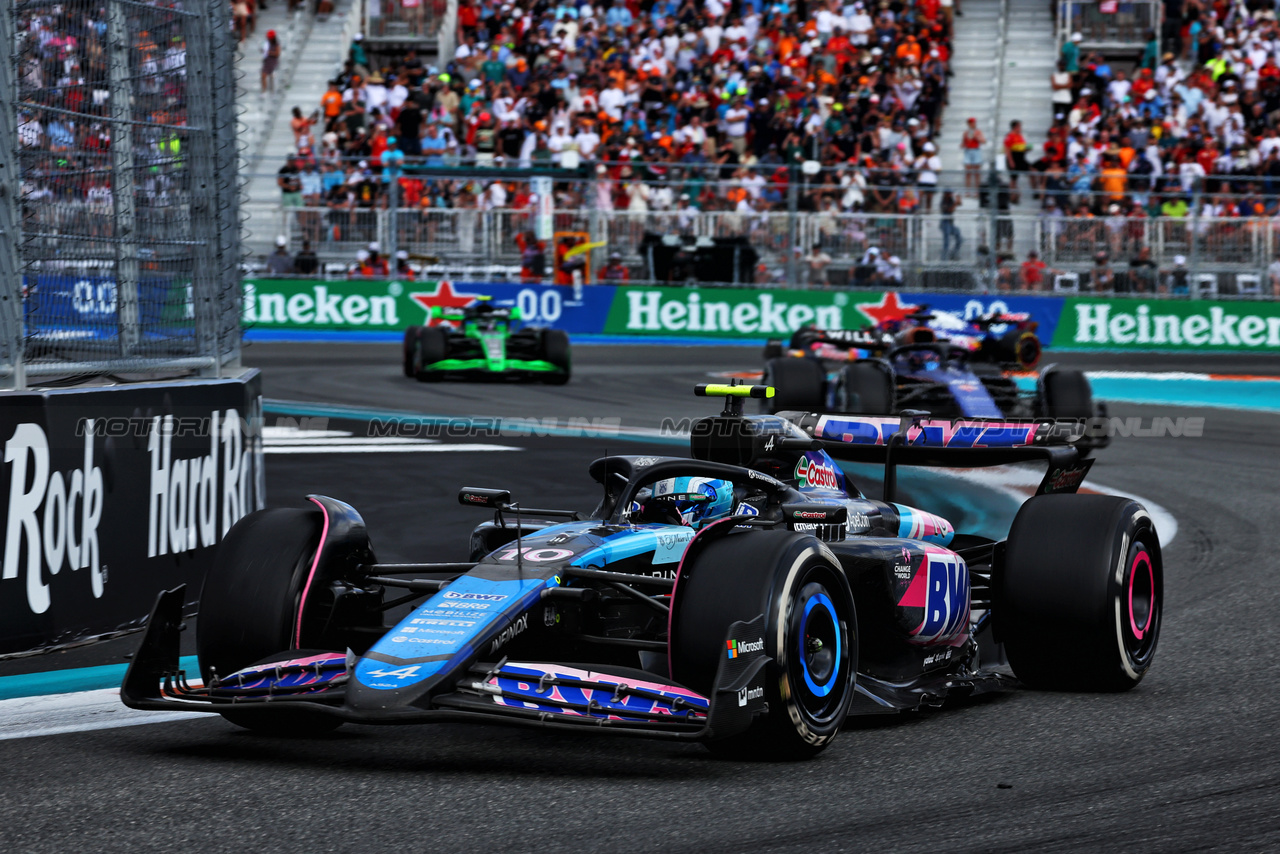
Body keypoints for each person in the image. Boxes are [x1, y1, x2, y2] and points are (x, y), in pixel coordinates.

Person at [1003, 120, 1029, 204]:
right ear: (1015, 127)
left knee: (1016, 178)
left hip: (1020, 159)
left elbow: (1022, 148)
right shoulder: (1010, 136)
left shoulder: (1020, 136)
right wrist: (1011, 161)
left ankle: (1015, 195)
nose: (1021, 128)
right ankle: (1012, 196)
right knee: (1013, 178)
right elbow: (1008, 149)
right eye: (1019, 126)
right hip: (1013, 159)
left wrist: (1027, 149)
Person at [961, 118, 985, 194]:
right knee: (968, 172)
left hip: (976, 150)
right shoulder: (966, 133)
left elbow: (983, 141)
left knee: (977, 173)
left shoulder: (978, 132)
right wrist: (963, 144)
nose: (972, 124)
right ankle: (967, 191)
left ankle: (977, 192)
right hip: (968, 151)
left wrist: (976, 137)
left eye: (973, 123)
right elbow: (963, 144)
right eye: (970, 123)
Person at [940, 190, 962, 261]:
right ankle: (944, 259)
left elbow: (960, 204)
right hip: (944, 223)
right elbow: (949, 210)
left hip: (950, 224)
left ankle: (953, 254)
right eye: (949, 194)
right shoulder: (943, 202)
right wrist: (955, 203)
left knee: (960, 239)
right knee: (946, 242)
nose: (950, 195)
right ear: (945, 194)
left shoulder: (951, 200)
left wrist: (958, 199)